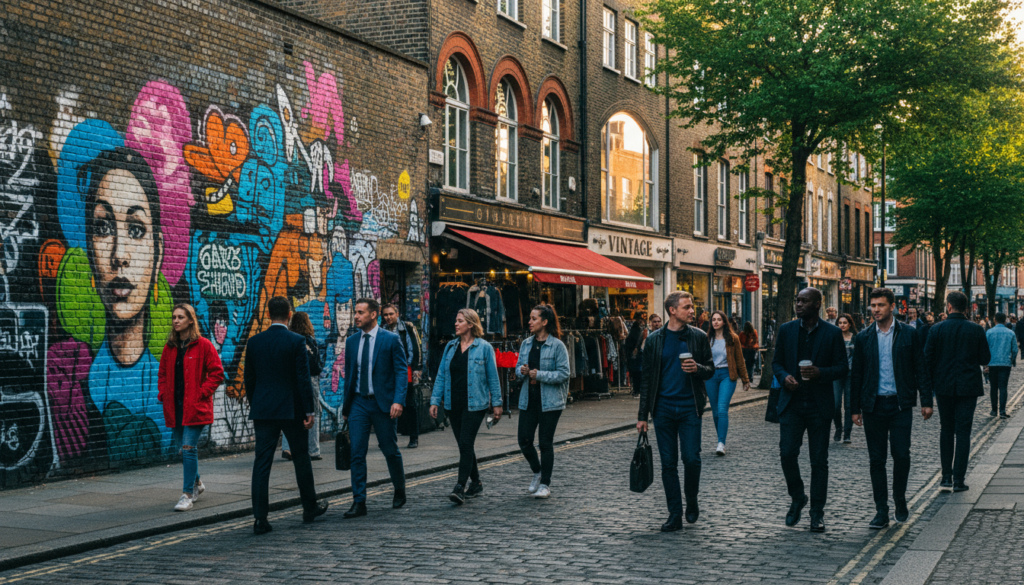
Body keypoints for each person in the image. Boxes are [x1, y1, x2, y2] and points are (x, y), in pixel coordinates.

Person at [244, 297, 328, 535]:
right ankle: (309, 507)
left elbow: (250, 380)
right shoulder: (296, 340)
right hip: (292, 410)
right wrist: (309, 411)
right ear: (289, 314)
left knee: (262, 463)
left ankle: (260, 519)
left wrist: (257, 404)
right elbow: (303, 379)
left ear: (269, 314)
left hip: (264, 411)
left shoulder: (255, 342)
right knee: (301, 458)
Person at [850, 289, 933, 529]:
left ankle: (899, 499)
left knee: (902, 455)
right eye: (873, 305)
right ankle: (881, 510)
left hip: (899, 404)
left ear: (893, 307)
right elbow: (856, 375)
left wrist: (926, 400)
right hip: (874, 405)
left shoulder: (908, 334)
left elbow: (921, 368)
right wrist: (854, 408)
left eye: (881, 305)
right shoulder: (864, 337)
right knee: (877, 460)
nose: (875, 310)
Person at [772, 288, 848, 533]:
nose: (799, 304)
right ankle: (797, 496)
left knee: (819, 461)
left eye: (804, 301)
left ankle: (817, 513)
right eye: (797, 300)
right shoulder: (786, 330)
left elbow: (842, 368)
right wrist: (784, 378)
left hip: (818, 405)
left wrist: (820, 373)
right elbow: (777, 363)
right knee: (786, 454)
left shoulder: (833, 333)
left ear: (817, 305)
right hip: (792, 404)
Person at [637, 291, 714, 532]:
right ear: (673, 310)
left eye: (692, 306)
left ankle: (691, 498)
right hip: (663, 409)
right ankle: (674, 514)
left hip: (690, 407)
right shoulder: (654, 340)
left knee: (691, 459)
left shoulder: (699, 337)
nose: (693, 310)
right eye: (687, 307)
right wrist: (642, 416)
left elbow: (711, 369)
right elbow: (647, 379)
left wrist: (698, 368)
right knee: (668, 464)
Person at [342, 298, 409, 518]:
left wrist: (398, 400)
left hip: (383, 404)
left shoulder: (390, 340)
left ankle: (399, 490)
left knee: (389, 449)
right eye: (355, 312)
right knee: (356, 453)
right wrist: (347, 407)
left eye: (360, 312)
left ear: (373, 314)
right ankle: (359, 501)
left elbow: (401, 371)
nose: (356, 316)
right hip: (359, 403)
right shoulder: (351, 342)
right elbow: (350, 376)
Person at [430, 309, 502, 504]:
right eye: (456, 320)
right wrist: (435, 400)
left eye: (460, 321)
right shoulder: (450, 347)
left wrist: (497, 404)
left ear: (470, 324)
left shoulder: (484, 347)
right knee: (465, 446)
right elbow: (441, 375)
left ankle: (460, 487)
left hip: (475, 404)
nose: (456, 324)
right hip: (453, 404)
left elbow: (493, 378)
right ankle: (476, 482)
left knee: (465, 443)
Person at [157, 303, 224, 512]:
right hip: (175, 407)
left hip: (195, 407)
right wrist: (163, 393)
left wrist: (202, 393)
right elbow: (162, 375)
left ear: (190, 320)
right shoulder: (169, 348)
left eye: (180, 317)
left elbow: (217, 373)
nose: (176, 321)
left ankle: (187, 494)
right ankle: (197, 483)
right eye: (174, 317)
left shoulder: (203, 345)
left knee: (188, 448)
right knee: (183, 450)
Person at [924, 291, 991, 492]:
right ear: (967, 308)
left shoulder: (936, 330)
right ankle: (959, 479)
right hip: (968, 387)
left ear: (949, 306)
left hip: (944, 386)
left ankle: (945, 477)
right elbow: (985, 359)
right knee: (963, 432)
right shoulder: (976, 330)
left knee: (946, 429)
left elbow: (927, 360)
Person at [515, 305, 570, 498]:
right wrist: (521, 371)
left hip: (550, 401)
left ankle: (545, 484)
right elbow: (517, 368)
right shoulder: (526, 344)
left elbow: (564, 374)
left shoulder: (557, 346)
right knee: (523, 440)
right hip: (528, 398)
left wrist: (540, 375)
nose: (529, 322)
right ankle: (537, 471)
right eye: (530, 318)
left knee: (545, 443)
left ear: (545, 322)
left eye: (533, 318)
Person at [706, 311, 750, 456]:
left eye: (719, 319)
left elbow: (740, 359)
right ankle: (720, 438)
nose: (716, 322)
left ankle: (721, 443)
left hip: (727, 375)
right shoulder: (707, 338)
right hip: (711, 376)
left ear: (724, 322)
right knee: (715, 411)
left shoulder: (733, 338)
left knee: (722, 408)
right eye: (714, 320)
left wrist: (745, 379)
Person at [281, 312, 323, 461]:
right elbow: (316, 365)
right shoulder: (309, 340)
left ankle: (287, 448)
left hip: (291, 380)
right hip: (310, 379)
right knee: (313, 412)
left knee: (291, 413)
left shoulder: (289, 340)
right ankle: (313, 449)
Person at [382, 304, 423, 448]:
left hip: (406, 370)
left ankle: (414, 437)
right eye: (385, 315)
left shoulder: (407, 327)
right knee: (388, 404)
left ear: (397, 313)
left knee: (410, 404)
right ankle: (389, 438)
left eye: (391, 314)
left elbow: (416, 347)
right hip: (389, 372)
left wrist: (417, 368)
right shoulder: (383, 330)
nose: (388, 317)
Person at [985, 312, 1017, 418]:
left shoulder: (989, 332)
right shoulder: (1010, 333)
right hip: (1005, 363)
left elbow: (985, 348)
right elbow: (1015, 349)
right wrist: (1013, 360)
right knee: (1003, 387)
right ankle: (1002, 411)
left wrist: (985, 364)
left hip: (992, 363)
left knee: (993, 387)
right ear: (1005, 321)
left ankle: (994, 410)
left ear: (995, 320)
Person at [833, 313, 858, 444]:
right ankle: (838, 428)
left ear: (850, 324)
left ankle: (847, 433)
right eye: (840, 323)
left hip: (850, 374)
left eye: (844, 322)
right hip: (837, 374)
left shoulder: (855, 338)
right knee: (835, 404)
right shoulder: (834, 337)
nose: (842, 325)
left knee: (849, 405)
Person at [625, 312, 647, 397]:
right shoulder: (639, 330)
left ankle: (636, 389)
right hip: (637, 354)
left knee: (636, 373)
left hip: (634, 354)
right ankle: (637, 389)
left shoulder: (634, 330)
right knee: (638, 372)